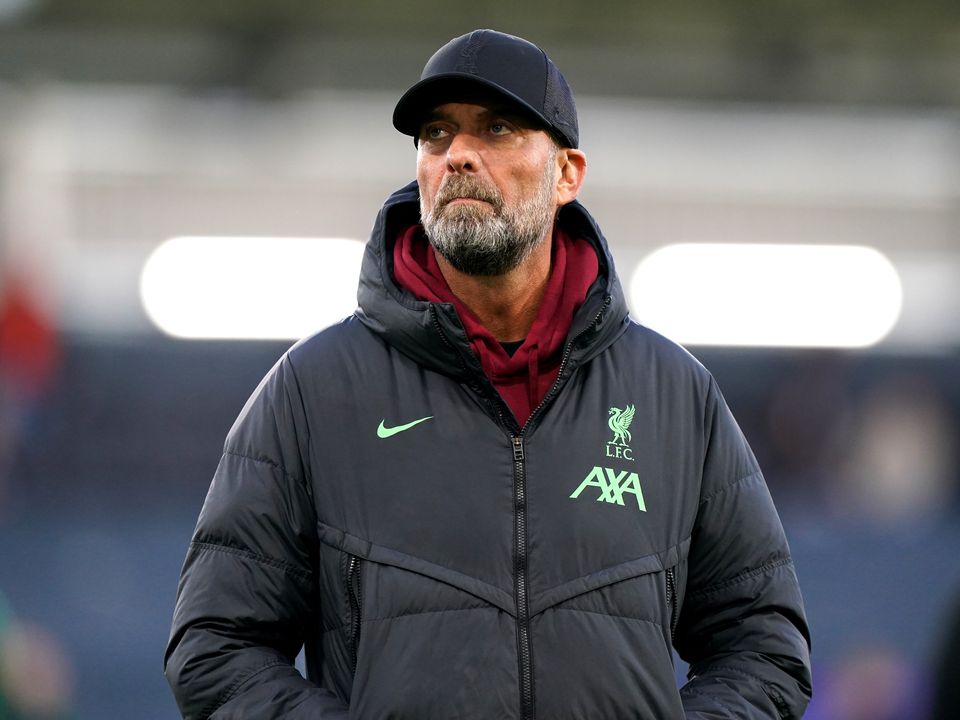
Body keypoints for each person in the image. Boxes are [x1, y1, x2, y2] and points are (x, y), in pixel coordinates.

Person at [165, 29, 812, 719]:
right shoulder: (314, 390)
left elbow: (764, 649)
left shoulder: (675, 397)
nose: (459, 156)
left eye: (497, 129)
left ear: (567, 173)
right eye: (436, 135)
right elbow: (214, 646)